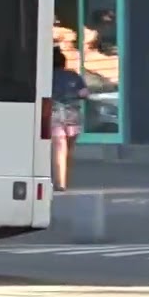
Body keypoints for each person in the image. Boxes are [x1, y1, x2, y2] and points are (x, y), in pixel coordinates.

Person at [51, 46, 88, 191]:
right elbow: (84, 93)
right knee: (67, 147)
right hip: (72, 114)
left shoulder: (46, 75)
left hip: (54, 113)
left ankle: (60, 182)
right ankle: (63, 174)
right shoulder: (73, 75)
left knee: (59, 147)